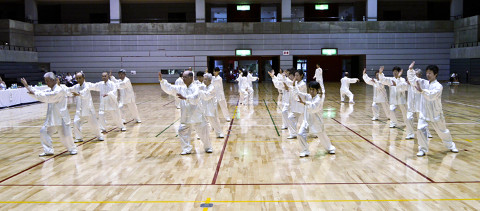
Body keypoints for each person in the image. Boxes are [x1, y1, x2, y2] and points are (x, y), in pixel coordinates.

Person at [407, 61, 458, 157]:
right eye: (427, 72)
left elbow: (431, 96)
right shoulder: (424, 82)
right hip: (424, 112)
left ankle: (451, 146)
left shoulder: (439, 86)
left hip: (436, 113)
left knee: (442, 131)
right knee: (420, 129)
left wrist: (422, 91)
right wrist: (410, 70)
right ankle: (422, 149)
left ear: (435, 74)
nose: (427, 74)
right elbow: (413, 80)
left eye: (430, 73)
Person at [20, 73, 77, 156]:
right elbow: (39, 92)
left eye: (47, 81)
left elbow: (47, 97)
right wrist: (27, 86)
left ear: (53, 80)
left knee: (65, 136)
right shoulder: (50, 90)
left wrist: (35, 94)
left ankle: (72, 149)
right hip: (52, 118)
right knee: (44, 131)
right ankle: (48, 150)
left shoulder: (58, 90)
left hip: (61, 117)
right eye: (45, 81)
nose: (46, 82)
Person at [158, 71, 212, 155]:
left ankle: (208, 147)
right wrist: (162, 81)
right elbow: (171, 88)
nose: (183, 79)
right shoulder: (181, 88)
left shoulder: (196, 87)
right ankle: (186, 149)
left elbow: (195, 97)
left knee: (203, 133)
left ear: (191, 78)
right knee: (182, 131)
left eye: (185, 77)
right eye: (183, 77)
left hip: (197, 114)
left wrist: (186, 97)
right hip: (185, 115)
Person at [297, 81, 335, 157]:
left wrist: (304, 103)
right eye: (310, 89)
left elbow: (313, 108)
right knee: (300, 134)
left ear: (317, 90)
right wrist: (294, 84)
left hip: (316, 122)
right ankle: (305, 150)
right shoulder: (308, 96)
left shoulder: (318, 99)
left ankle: (330, 148)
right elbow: (299, 94)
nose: (311, 91)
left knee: (322, 136)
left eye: (313, 90)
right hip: (307, 121)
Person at [67, 72, 105, 143]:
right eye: (77, 78)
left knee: (94, 124)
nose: (78, 80)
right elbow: (69, 90)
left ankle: (99, 135)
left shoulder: (87, 85)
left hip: (88, 109)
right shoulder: (76, 86)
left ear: (83, 78)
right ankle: (78, 138)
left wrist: (78, 93)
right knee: (76, 122)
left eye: (79, 78)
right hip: (79, 110)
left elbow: (84, 92)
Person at [379, 66, 413, 139]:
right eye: (393, 71)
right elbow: (383, 80)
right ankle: (393, 122)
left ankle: (407, 123)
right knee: (391, 109)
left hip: (401, 99)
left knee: (404, 112)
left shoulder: (402, 79)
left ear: (399, 72)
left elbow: (405, 87)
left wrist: (398, 80)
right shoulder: (391, 79)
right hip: (393, 99)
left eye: (396, 71)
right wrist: (381, 73)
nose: (394, 73)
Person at [406, 68, 432, 139]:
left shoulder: (423, 82)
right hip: (410, 104)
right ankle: (410, 134)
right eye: (414, 75)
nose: (415, 76)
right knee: (409, 118)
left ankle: (427, 132)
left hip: (420, 104)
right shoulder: (409, 83)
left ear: (420, 75)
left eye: (416, 74)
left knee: (422, 119)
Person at [200, 73, 225, 138]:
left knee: (214, 121)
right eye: (204, 79)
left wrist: (199, 92)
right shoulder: (204, 86)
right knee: (202, 121)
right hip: (204, 106)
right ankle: (201, 134)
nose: (204, 80)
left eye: (205, 79)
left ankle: (219, 133)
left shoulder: (212, 87)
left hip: (211, 107)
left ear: (210, 80)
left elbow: (207, 96)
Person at [285, 69, 307, 139]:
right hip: (296, 107)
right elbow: (292, 88)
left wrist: (293, 85)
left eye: (297, 75)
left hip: (301, 106)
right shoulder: (297, 83)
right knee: (291, 118)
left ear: (301, 76)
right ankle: (294, 133)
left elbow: (296, 92)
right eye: (295, 75)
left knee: (305, 122)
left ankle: (314, 133)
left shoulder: (303, 84)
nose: (295, 77)